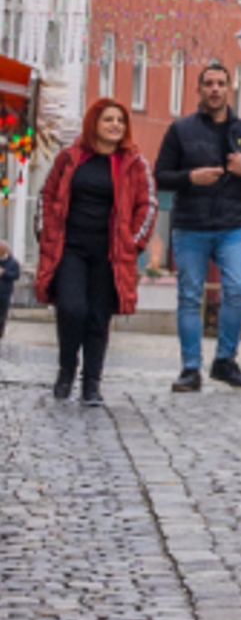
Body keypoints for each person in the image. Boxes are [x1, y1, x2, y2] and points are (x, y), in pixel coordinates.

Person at [151, 62, 241, 392]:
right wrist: (190, 177)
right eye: (208, 84)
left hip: (232, 225)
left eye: (221, 83)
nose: (215, 89)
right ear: (199, 90)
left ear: (229, 88)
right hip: (190, 225)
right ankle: (191, 368)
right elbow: (160, 175)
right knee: (189, 297)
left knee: (237, 290)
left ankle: (224, 361)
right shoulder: (181, 130)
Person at [32, 97, 151, 411]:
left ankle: (91, 384)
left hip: (110, 253)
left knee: (99, 317)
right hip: (70, 247)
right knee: (72, 309)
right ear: (94, 124)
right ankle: (66, 370)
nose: (115, 125)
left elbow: (147, 205)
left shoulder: (135, 163)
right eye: (109, 119)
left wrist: (133, 242)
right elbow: (47, 194)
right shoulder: (69, 158)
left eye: (120, 120)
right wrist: (45, 233)